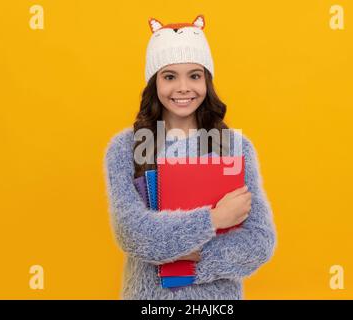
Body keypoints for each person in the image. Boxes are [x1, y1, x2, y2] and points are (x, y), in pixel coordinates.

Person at [103, 14, 277, 299]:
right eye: (170, 76)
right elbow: (132, 233)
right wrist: (214, 219)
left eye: (194, 75)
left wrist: (186, 257)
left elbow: (259, 241)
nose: (183, 87)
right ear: (154, 83)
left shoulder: (235, 147)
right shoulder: (124, 148)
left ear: (206, 81)